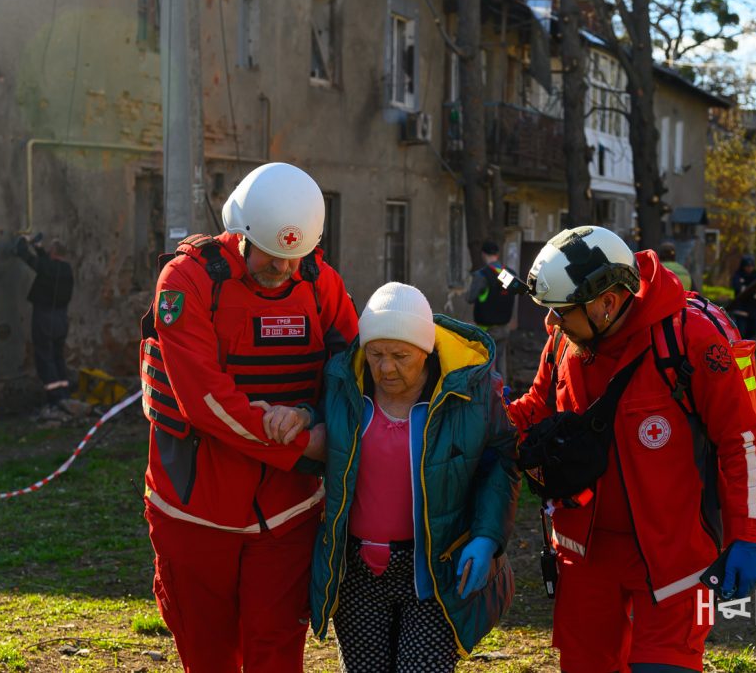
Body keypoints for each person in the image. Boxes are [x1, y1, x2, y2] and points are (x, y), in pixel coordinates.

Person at [507, 226, 756, 673]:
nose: (549, 324)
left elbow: (740, 441)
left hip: (674, 558)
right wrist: (475, 419)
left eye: (560, 312)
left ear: (606, 303)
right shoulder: (566, 341)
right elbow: (535, 406)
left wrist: (746, 536)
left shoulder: (691, 340)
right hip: (585, 555)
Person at [138, 162, 359, 672]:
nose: (284, 269)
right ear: (239, 232)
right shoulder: (186, 279)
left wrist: (308, 414)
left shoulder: (320, 282)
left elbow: (352, 377)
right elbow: (205, 400)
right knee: (208, 655)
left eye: (294, 256)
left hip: (286, 513)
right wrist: (303, 444)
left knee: (277, 653)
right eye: (272, 255)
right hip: (195, 510)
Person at [310, 282, 520, 672]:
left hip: (436, 569)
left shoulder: (468, 395)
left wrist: (487, 537)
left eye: (400, 356)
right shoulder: (345, 386)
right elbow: (318, 434)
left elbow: (501, 463)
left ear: (426, 351)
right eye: (376, 354)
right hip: (357, 571)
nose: (386, 367)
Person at [14, 232, 74, 415]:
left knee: (44, 358)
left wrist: (23, 242)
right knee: (57, 356)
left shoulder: (48, 267)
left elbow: (28, 259)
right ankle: (64, 395)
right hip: (61, 319)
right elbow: (45, 266)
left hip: (44, 317)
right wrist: (39, 248)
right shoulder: (66, 270)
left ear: (54, 253)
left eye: (49, 251)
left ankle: (54, 400)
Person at [466, 240, 518, 385]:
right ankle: (503, 397)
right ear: (497, 254)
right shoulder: (508, 274)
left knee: (486, 365)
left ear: (483, 254)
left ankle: (489, 399)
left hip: (486, 330)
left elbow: (470, 298)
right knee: (500, 364)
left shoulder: (482, 275)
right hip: (504, 328)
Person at [729, 255, 756, 339]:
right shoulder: (738, 275)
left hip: (753, 310)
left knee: (754, 329)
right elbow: (736, 286)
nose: (749, 268)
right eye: (747, 266)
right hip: (741, 310)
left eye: (751, 266)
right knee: (741, 332)